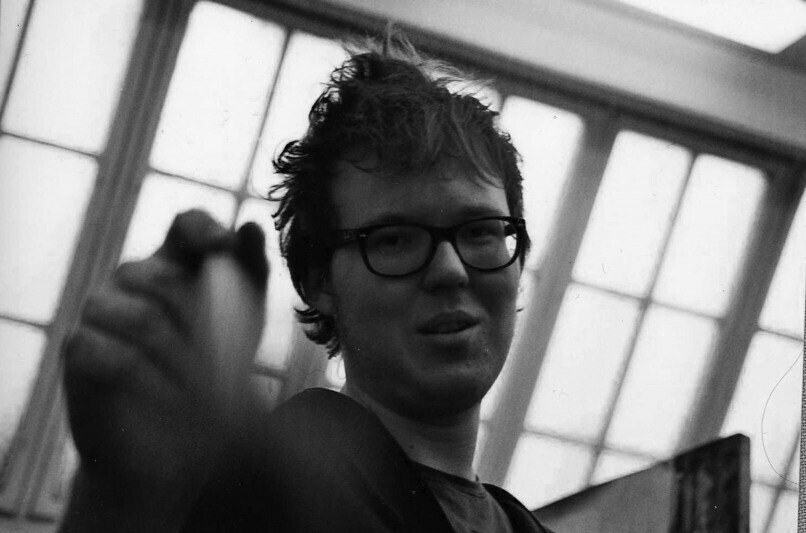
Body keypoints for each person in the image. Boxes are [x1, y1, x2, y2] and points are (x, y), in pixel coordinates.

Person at [60, 33, 553, 532]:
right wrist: (116, 497)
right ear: (319, 282)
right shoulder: (261, 494)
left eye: (480, 231)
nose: (450, 269)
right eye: (395, 240)